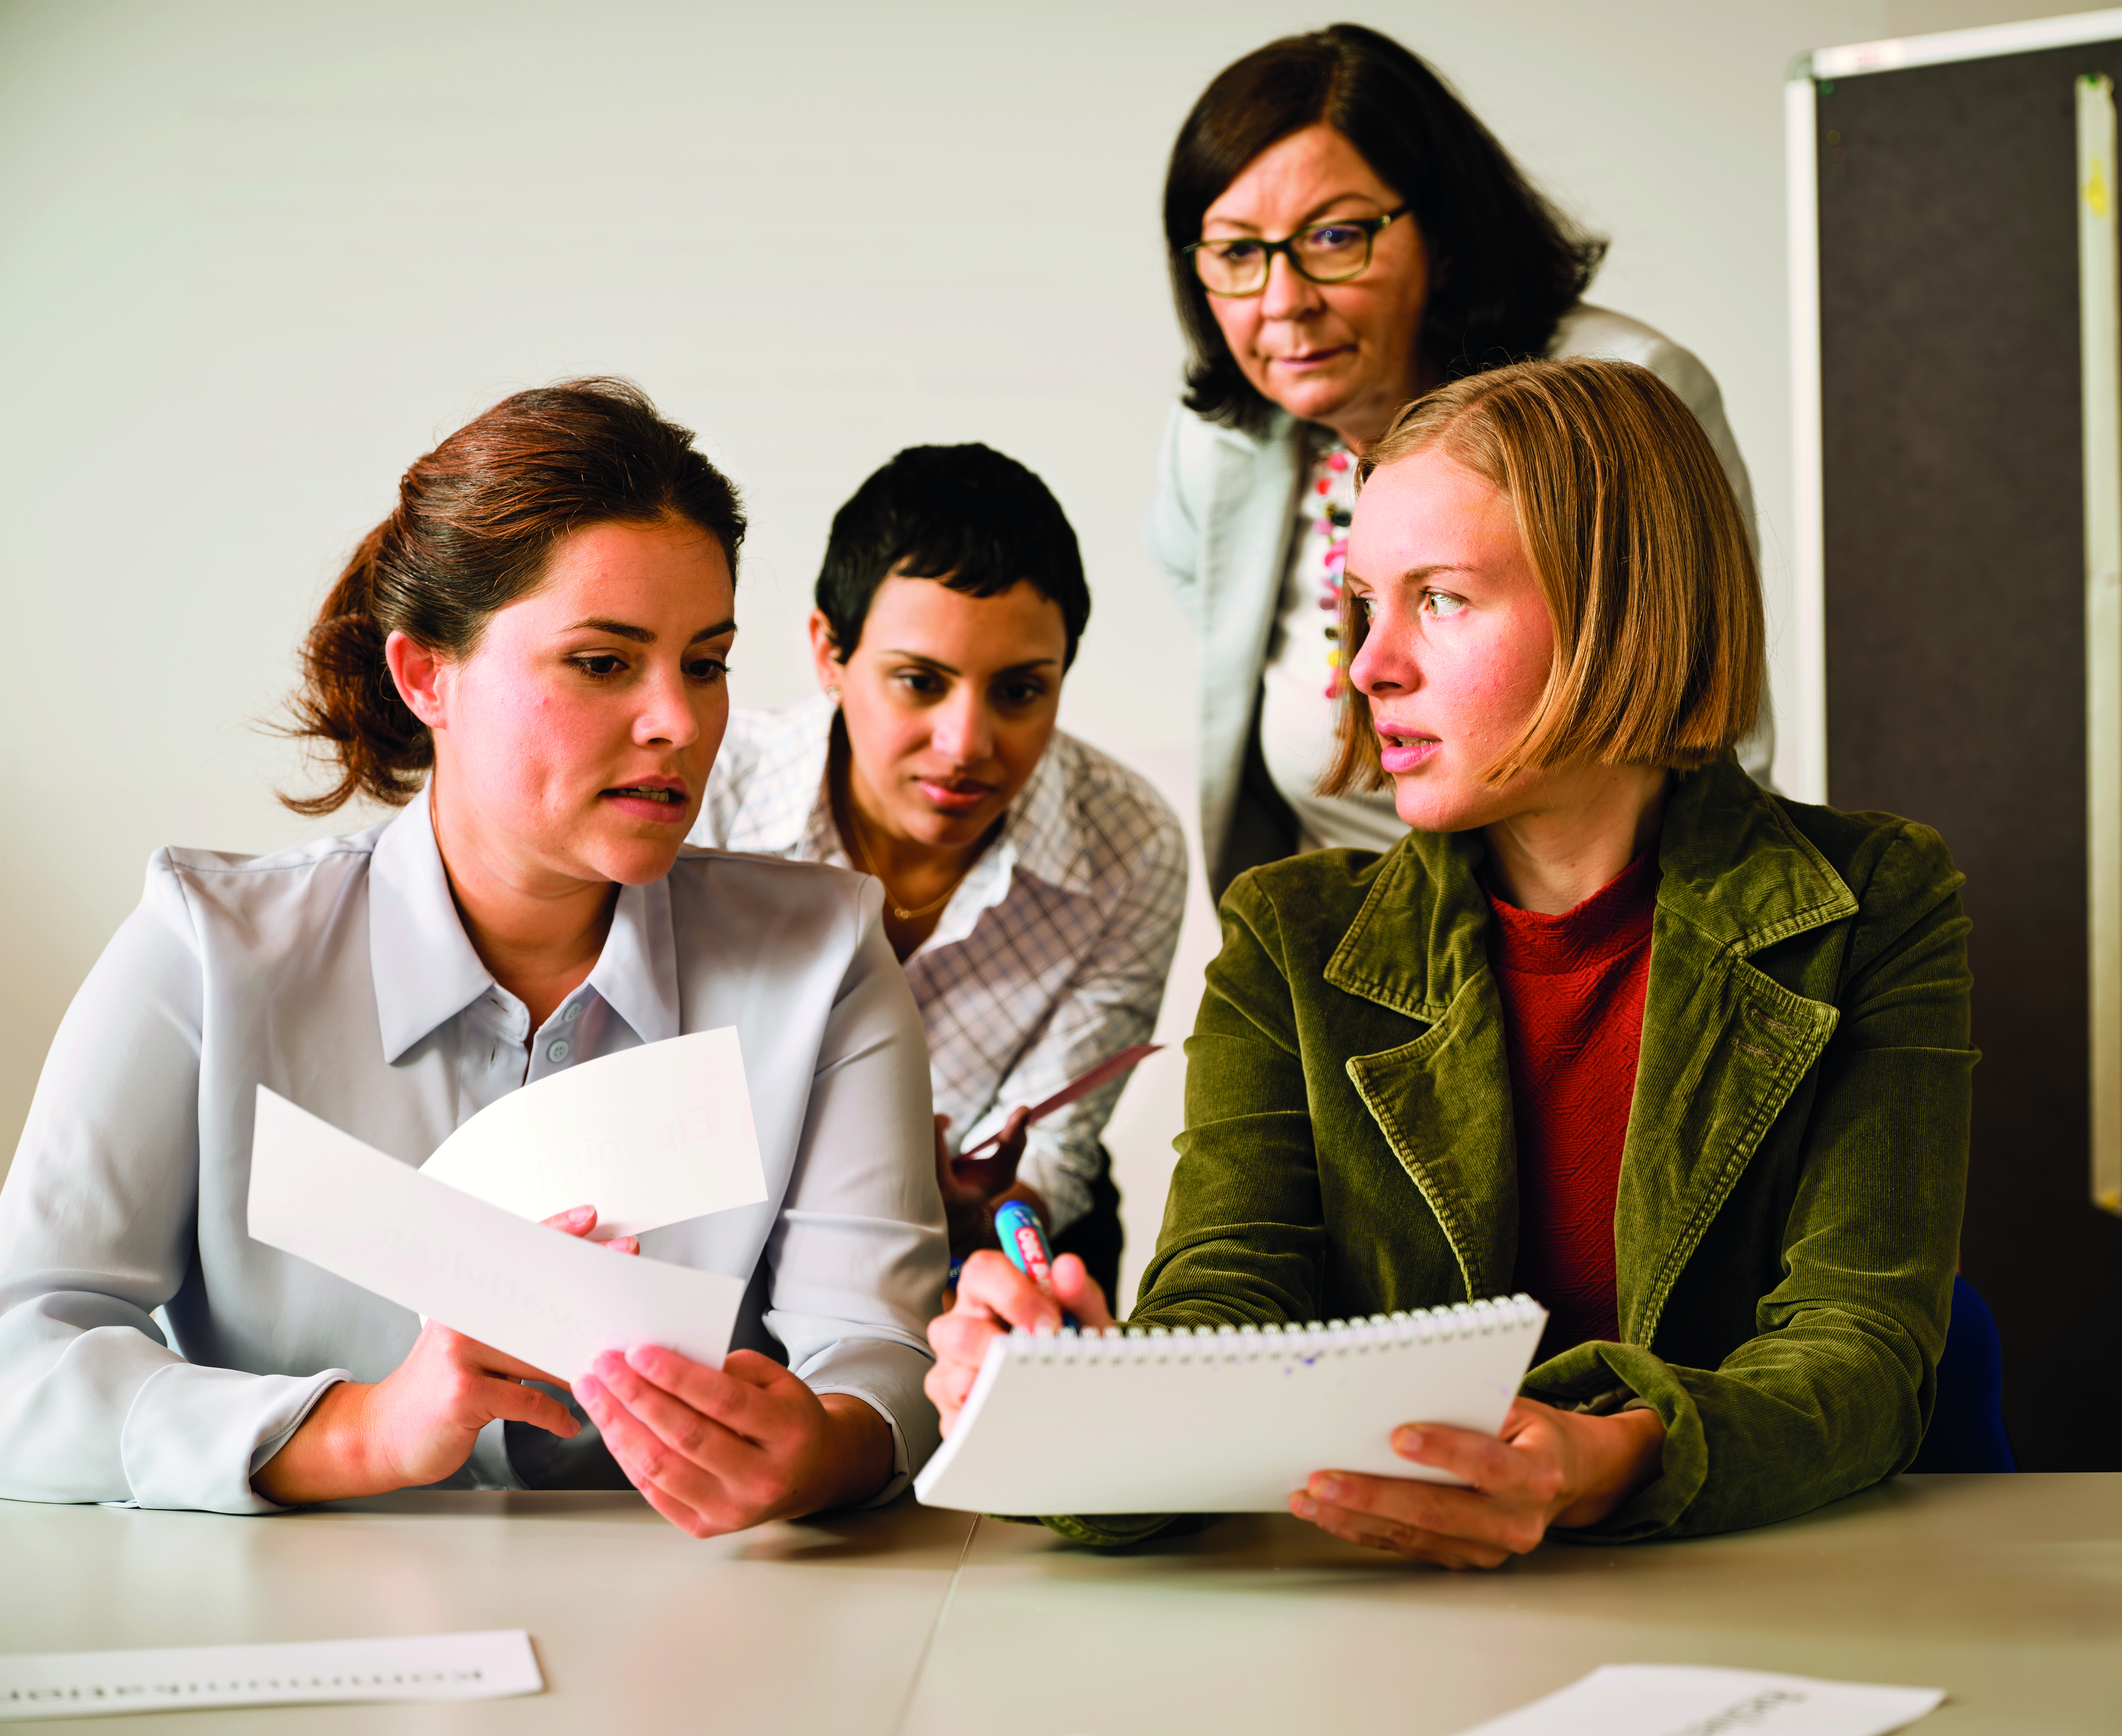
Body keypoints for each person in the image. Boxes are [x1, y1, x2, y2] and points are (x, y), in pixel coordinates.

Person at [930, 358, 1973, 1565]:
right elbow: (1224, 1305)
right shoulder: (1290, 933)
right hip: (1395, 1621)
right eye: (1361, 604)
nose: (1368, 666)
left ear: (1619, 609)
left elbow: (1860, 1350)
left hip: (1745, 1588)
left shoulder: (1875, 900)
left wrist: (1613, 1459)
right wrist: (1068, 1413)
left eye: (1440, 600)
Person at [0, 380, 948, 1535]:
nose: (680, 723)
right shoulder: (207, 953)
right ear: (425, 676)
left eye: (705, 662)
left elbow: (878, 1352)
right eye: (604, 662)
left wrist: (826, 1448)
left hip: (696, 1653)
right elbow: (19, 1364)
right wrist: (358, 1429)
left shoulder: (826, 958)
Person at [1150, 23, 1773, 901]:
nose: (1282, 302)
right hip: (1345, 946)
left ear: (1441, 237)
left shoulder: (1627, 393)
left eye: (1333, 237)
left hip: (1592, 935)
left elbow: (1711, 727)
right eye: (1239, 253)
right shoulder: (1223, 444)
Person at [694, 445, 1187, 1297]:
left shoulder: (1130, 842)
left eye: (1020, 691)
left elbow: (1060, 1149)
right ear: (828, 653)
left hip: (985, 1237)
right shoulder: (708, 793)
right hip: (722, 1222)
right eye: (920, 682)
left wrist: (985, 1214)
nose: (967, 745)